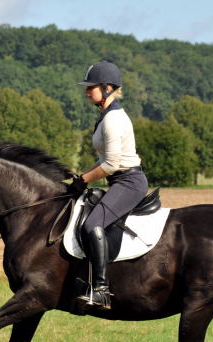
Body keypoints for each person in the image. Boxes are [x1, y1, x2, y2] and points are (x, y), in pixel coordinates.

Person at [69, 60, 149, 309]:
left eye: (90, 87)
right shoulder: (106, 117)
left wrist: (83, 179)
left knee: (93, 224)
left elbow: (112, 164)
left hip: (128, 182)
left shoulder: (113, 120)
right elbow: (104, 161)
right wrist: (80, 176)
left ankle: (102, 290)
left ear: (107, 88)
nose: (86, 91)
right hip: (118, 181)